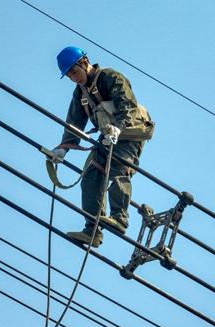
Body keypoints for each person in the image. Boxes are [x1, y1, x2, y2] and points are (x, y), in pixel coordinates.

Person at [50, 46, 154, 247]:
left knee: (117, 168)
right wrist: (64, 148)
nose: (74, 77)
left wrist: (119, 127)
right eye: (69, 75)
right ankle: (93, 231)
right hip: (109, 136)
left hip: (131, 132)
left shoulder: (109, 77)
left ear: (85, 62)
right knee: (90, 175)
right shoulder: (80, 94)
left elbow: (127, 104)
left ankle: (120, 218)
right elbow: (74, 122)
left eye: (74, 71)